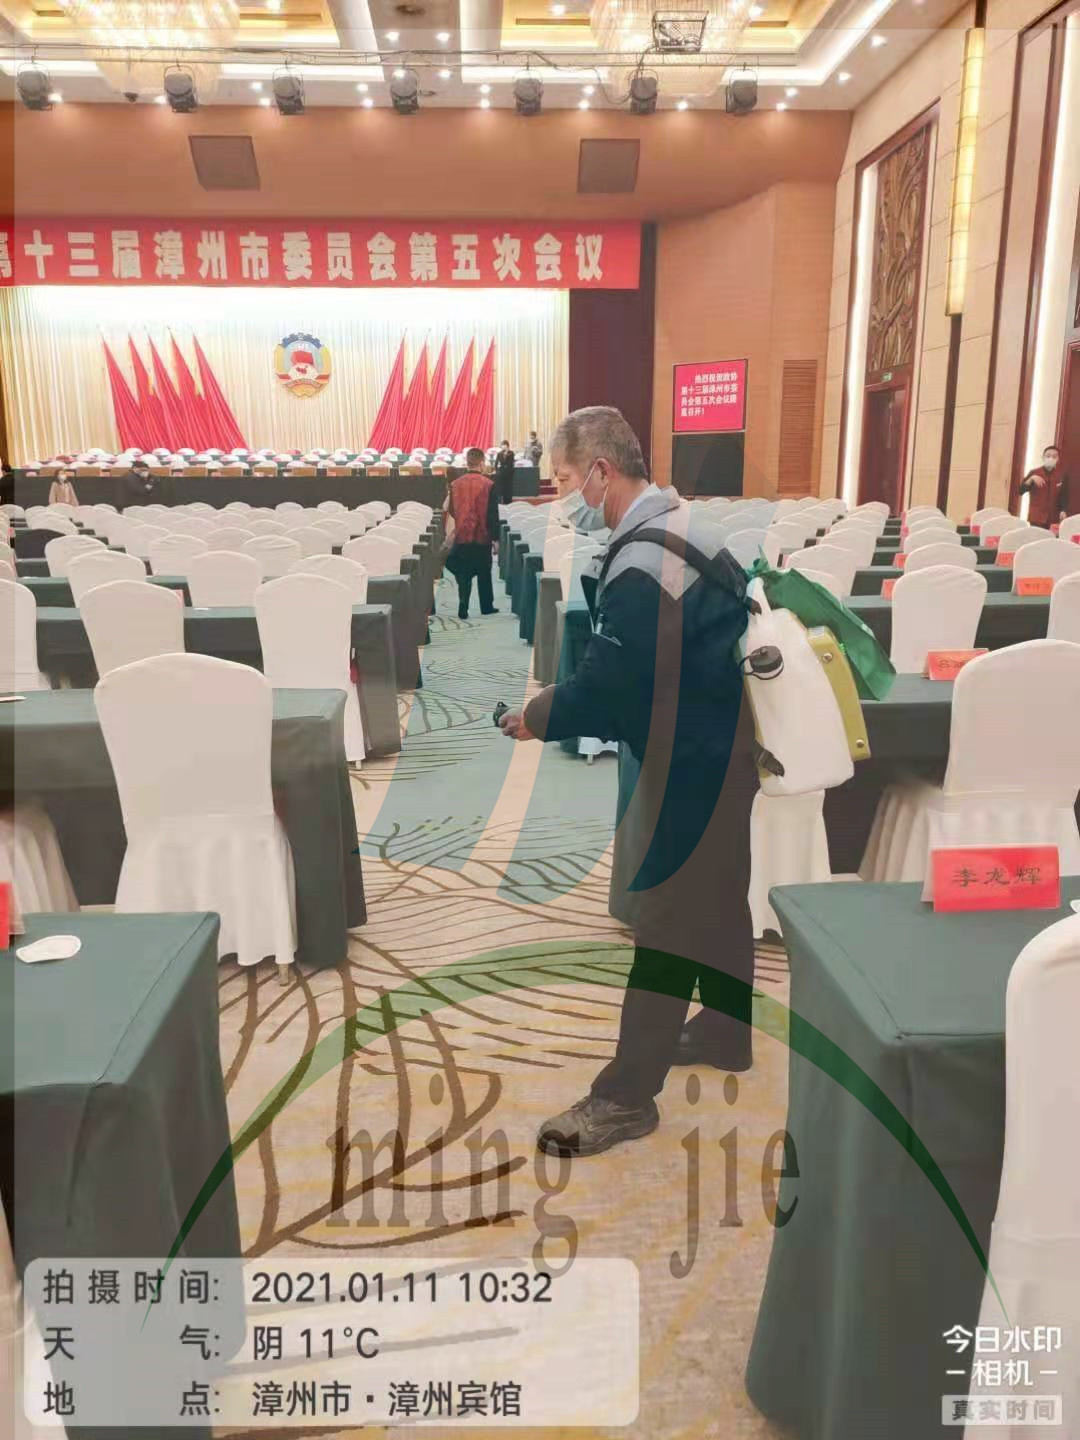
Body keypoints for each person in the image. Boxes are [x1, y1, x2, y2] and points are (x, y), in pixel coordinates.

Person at [499, 407, 758, 1157]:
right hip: (726, 742)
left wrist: (536, 715)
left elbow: (608, 685)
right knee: (721, 893)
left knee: (666, 921)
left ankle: (625, 1097)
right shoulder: (690, 522)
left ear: (603, 472)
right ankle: (727, 1030)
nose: (562, 495)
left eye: (565, 480)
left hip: (694, 758)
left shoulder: (644, 561)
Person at [444, 446, 500, 620]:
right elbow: (493, 514)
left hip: (462, 535)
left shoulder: (455, 484)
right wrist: (496, 539)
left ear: (467, 462)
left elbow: (452, 509)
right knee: (484, 572)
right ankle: (486, 606)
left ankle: (464, 603)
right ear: (482, 463)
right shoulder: (489, 484)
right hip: (482, 535)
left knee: (464, 572)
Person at [1020, 444, 1074, 526]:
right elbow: (1020, 491)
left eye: (1054, 456)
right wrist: (1031, 479)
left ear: (1058, 459)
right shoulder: (1034, 473)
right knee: (1036, 534)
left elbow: (1064, 495)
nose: (1051, 458)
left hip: (1053, 517)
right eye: (1048, 456)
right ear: (1043, 457)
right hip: (1036, 517)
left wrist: (1063, 510)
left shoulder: (1062, 475)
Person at [494, 440, 516, 504]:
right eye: (502, 445)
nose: (503, 446)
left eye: (505, 445)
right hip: (501, 473)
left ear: (507, 446)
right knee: (501, 488)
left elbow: (510, 463)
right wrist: (497, 471)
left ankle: (508, 501)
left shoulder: (511, 453)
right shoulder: (499, 453)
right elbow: (496, 464)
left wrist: (506, 455)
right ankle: (501, 501)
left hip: (509, 473)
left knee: (508, 488)